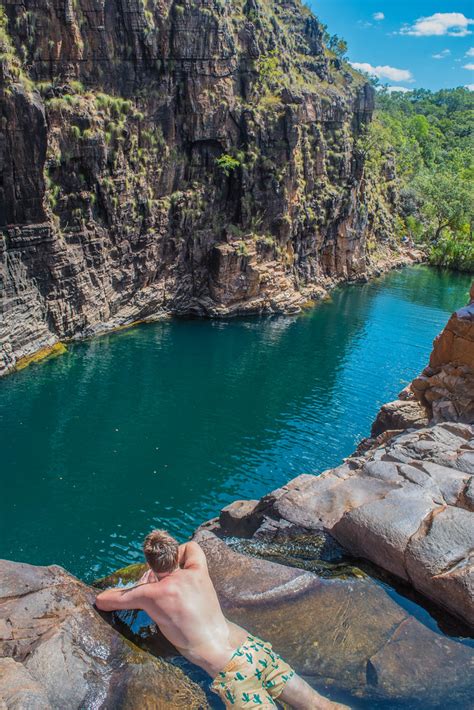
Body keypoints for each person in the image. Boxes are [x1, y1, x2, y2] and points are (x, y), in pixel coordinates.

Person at [95, 529, 349, 709]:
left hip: (232, 674)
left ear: (150, 563)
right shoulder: (196, 567)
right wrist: (169, 557)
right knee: (321, 705)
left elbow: (103, 601)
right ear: (175, 555)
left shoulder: (150, 593)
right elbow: (189, 547)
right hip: (254, 650)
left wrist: (144, 581)